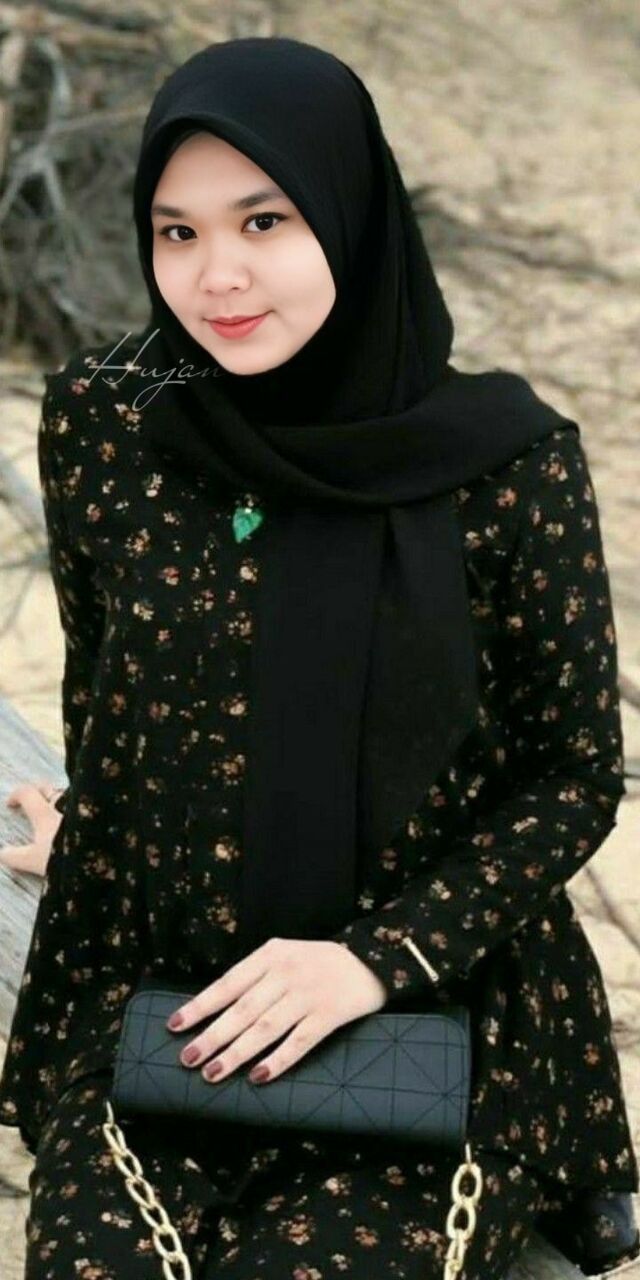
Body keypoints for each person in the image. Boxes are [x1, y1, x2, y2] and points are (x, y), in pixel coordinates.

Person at [1, 34, 638, 1280]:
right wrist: (100, 823)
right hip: (169, 1005)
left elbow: (572, 773)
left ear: (348, 213)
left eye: (264, 220)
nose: (218, 275)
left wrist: (371, 959)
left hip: (425, 1016)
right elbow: (110, 682)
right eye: (176, 231)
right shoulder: (108, 419)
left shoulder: (508, 465)